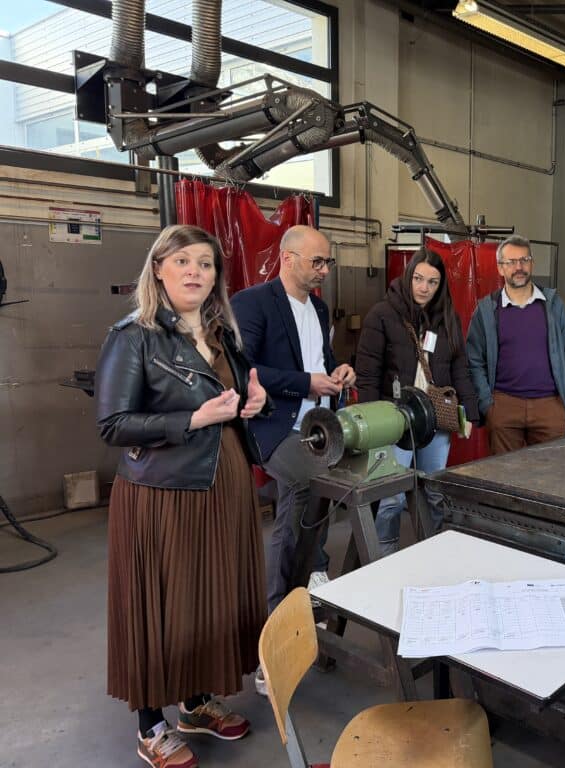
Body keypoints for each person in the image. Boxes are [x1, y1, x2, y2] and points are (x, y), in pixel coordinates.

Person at [95, 225, 270, 768]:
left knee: (206, 603)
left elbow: (230, 401)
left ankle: (194, 703)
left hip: (223, 487)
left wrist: (254, 402)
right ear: (158, 269)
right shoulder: (134, 335)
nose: (195, 271)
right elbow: (113, 424)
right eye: (182, 261)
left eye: (206, 264)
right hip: (163, 495)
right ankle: (151, 724)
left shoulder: (222, 335)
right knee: (161, 608)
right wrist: (193, 419)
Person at [231, 225, 356, 693]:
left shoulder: (319, 308)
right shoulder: (253, 302)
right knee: (303, 492)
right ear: (287, 258)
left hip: (317, 425)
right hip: (273, 425)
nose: (324, 270)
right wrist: (307, 384)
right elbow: (244, 369)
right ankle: (275, 626)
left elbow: (321, 360)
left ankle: (304, 593)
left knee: (323, 499)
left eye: (328, 262)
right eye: (317, 262)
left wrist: (337, 372)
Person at [355, 249, 479, 554]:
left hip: (434, 418)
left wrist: (470, 412)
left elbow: (460, 369)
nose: (424, 287)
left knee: (433, 490)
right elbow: (367, 375)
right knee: (392, 497)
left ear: (440, 285)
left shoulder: (447, 318)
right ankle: (383, 558)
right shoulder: (382, 314)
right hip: (394, 420)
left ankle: (431, 553)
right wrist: (371, 426)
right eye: (419, 279)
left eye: (432, 282)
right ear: (408, 277)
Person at [466, 235, 565, 456]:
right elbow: (474, 361)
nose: (519, 267)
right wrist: (488, 405)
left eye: (524, 260)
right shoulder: (487, 310)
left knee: (551, 472)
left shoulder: (554, 306)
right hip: (503, 406)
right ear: (500, 268)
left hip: (550, 405)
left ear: (532, 263)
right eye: (511, 262)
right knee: (505, 473)